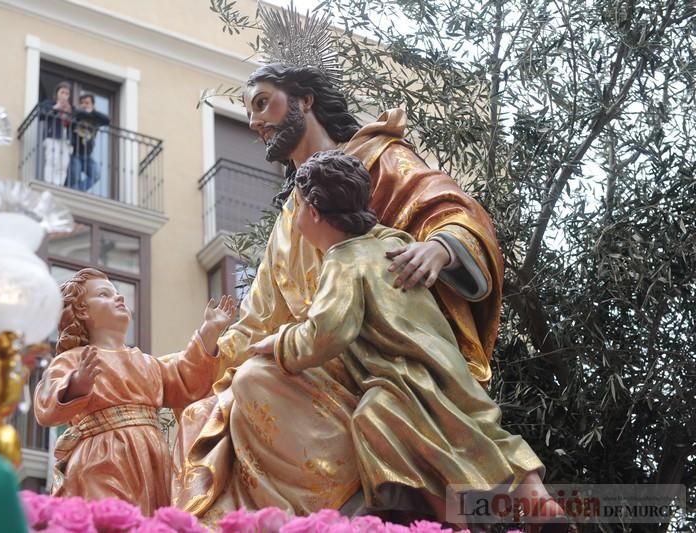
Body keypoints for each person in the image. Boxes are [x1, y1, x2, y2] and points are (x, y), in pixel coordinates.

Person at [172, 62, 512, 524]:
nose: (254, 122)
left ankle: (334, 516)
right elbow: (260, 315)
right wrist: (204, 354)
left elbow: (448, 206)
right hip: (310, 362)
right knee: (207, 411)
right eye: (249, 112)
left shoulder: (377, 159)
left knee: (253, 383)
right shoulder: (290, 219)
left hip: (377, 359)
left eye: (262, 103)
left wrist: (441, 248)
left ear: (304, 101)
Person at [246, 150, 567, 531]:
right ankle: (537, 500)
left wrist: (279, 344)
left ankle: (451, 521)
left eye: (298, 209)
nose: (296, 224)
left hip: (400, 375)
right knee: (478, 429)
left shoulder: (344, 262)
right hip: (445, 363)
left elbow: (327, 333)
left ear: (315, 211)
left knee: (377, 417)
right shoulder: (391, 243)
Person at [34, 268, 235, 515]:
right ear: (83, 311)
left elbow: (185, 378)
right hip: (103, 457)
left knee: (150, 519)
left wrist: (210, 330)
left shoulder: (146, 362)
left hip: (152, 458)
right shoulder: (74, 359)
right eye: (104, 294)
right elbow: (46, 406)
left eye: (118, 293)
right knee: (110, 518)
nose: (118, 298)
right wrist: (78, 384)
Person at [67, 93, 109, 192]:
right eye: (82, 103)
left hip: (87, 155)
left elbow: (107, 120)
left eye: (87, 103)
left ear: (92, 105)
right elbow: (75, 112)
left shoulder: (95, 119)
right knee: (75, 179)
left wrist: (92, 112)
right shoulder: (77, 115)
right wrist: (85, 111)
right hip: (75, 153)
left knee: (96, 174)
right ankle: (75, 193)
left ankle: (78, 191)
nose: (84, 105)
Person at [39, 81, 73, 186]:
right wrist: (56, 107)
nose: (64, 95)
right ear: (57, 93)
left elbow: (76, 120)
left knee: (63, 164)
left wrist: (68, 114)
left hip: (65, 139)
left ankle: (59, 185)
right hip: (52, 136)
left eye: (67, 94)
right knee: (52, 160)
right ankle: (49, 184)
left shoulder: (71, 108)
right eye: (62, 92)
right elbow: (41, 114)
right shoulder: (49, 103)